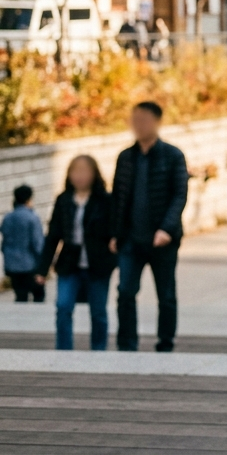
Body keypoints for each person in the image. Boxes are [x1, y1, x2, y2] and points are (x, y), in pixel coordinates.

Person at [112, 101, 188, 352]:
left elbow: (179, 195)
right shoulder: (125, 157)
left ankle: (165, 341)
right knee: (125, 292)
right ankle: (126, 342)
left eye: (144, 119)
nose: (138, 125)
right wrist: (115, 232)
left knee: (165, 294)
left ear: (157, 121)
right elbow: (118, 198)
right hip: (131, 239)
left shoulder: (173, 155)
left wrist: (166, 229)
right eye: (135, 119)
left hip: (162, 239)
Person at [41, 156, 117, 350]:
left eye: (85, 171)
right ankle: (64, 349)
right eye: (76, 171)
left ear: (94, 174)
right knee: (63, 306)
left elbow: (115, 230)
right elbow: (53, 236)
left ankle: (99, 349)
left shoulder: (105, 201)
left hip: (98, 263)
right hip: (69, 263)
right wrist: (42, 269)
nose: (80, 176)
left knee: (98, 311)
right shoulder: (64, 200)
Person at [1, 186, 45, 302]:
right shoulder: (32, 218)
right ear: (29, 199)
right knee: (38, 294)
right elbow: (38, 244)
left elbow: (5, 241)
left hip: (12, 264)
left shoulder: (7, 218)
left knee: (20, 296)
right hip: (29, 265)